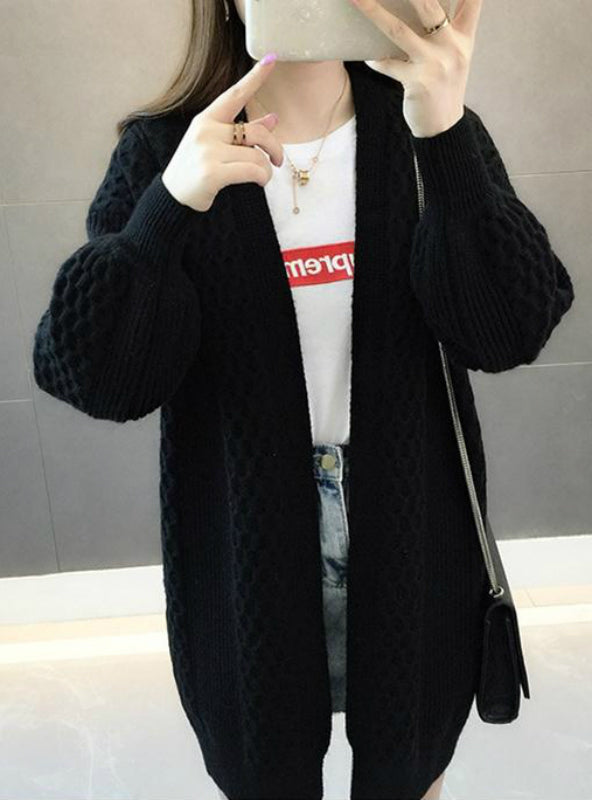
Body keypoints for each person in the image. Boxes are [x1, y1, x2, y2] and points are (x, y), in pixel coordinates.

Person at [32, 0, 574, 798]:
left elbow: (509, 331)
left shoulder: (423, 126)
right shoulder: (167, 150)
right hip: (244, 539)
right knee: (265, 768)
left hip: (414, 527)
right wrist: (167, 209)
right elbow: (95, 377)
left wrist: (446, 134)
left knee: (409, 765)